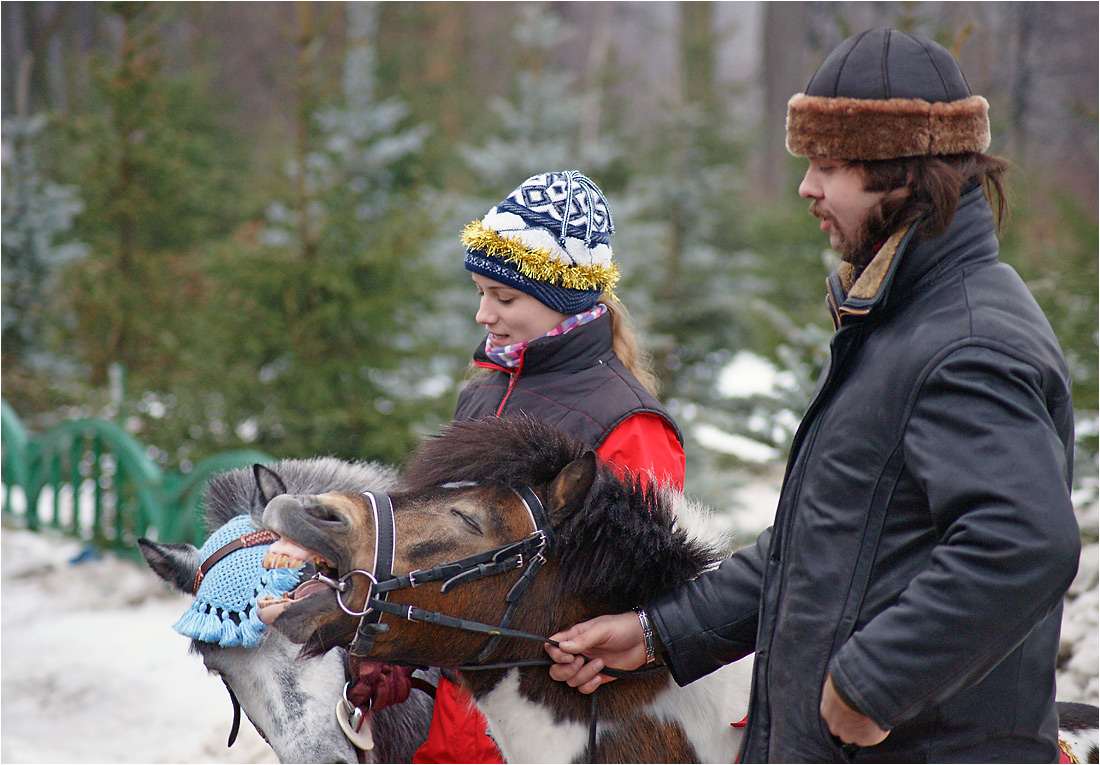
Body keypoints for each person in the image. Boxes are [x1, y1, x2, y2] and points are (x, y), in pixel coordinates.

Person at [545, 28, 1080, 763]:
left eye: (828, 166)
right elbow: (817, 553)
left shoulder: (966, 341)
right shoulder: (898, 325)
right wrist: (657, 633)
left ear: (903, 173)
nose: (807, 188)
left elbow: (1022, 543)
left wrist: (874, 682)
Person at [412, 170, 686, 763]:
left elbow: (651, 600)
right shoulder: (483, 393)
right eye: (480, 293)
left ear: (563, 297)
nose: (484, 314)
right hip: (460, 717)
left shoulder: (627, 422)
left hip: (556, 724)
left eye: (505, 298)